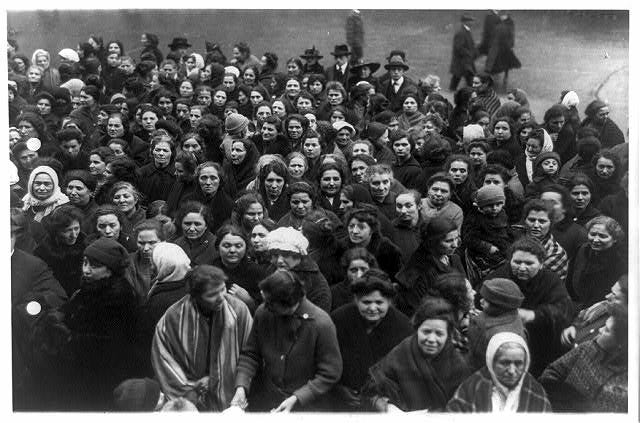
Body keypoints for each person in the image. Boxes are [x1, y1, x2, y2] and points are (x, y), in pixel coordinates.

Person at [33, 237, 137, 410]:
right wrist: (57, 317)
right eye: (85, 263)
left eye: (94, 266)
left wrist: (67, 338)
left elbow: (108, 345)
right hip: (79, 371)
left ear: (111, 270)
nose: (86, 270)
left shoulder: (118, 298)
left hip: (100, 378)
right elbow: (69, 309)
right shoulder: (90, 287)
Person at [231, 270, 342, 412]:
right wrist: (241, 386)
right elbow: (251, 354)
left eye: (271, 305)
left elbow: (330, 373)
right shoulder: (264, 312)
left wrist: (298, 397)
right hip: (268, 401)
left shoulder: (321, 324)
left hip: (307, 408)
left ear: (291, 304)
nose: (266, 307)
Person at [151, 265, 253, 411]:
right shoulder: (174, 317)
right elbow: (163, 358)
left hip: (232, 392)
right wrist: (192, 387)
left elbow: (250, 352)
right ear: (195, 297)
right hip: (190, 397)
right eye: (212, 295)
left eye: (223, 289)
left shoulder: (239, 310)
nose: (221, 298)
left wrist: (240, 385)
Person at [361, 296, 472, 412]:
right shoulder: (402, 352)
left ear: (448, 335)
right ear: (417, 329)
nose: (431, 339)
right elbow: (371, 392)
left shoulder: (458, 366)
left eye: (439, 334)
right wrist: (387, 407)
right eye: (426, 331)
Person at [486, 237, 572, 376]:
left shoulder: (551, 280)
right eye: (517, 262)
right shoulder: (501, 275)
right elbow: (481, 299)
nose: (522, 267)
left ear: (541, 264)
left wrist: (534, 315)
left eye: (529, 263)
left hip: (541, 343)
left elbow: (563, 309)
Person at [330, 269, 413, 411]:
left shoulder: (404, 327)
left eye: (379, 302)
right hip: (341, 400)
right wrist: (338, 388)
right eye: (366, 302)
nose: (372, 308)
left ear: (389, 301)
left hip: (387, 404)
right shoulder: (338, 319)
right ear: (356, 299)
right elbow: (326, 359)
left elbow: (406, 374)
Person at [539, 305, 628, 412]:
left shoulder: (626, 383)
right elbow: (553, 371)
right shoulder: (587, 347)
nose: (600, 330)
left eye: (607, 330)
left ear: (620, 344)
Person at [447, 332, 551, 412]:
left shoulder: (535, 393)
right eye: (505, 363)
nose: (512, 371)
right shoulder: (471, 389)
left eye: (518, 363)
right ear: (492, 362)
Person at [135, 241, 191, 376]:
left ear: (165, 266)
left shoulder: (162, 300)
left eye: (154, 262)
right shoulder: (189, 287)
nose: (152, 266)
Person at [395, 216, 465, 317]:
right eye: (448, 241)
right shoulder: (418, 273)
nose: (455, 245)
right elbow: (421, 310)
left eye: (456, 239)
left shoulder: (454, 260)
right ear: (432, 242)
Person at [265, 226, 332, 313]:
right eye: (275, 255)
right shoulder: (271, 270)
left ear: (298, 256)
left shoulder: (315, 283)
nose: (279, 260)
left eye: (286, 254)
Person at [568, 216, 627, 311]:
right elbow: (570, 277)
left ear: (615, 239)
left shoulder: (620, 262)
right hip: (575, 304)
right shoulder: (582, 250)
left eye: (602, 236)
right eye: (592, 234)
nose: (595, 240)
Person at [465, 278, 526, 370]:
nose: (481, 301)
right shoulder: (511, 315)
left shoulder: (489, 331)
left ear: (498, 306)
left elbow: (477, 361)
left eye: (486, 300)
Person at [33, 205, 87, 296]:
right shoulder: (43, 252)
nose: (74, 235)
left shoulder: (86, 244)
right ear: (56, 231)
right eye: (67, 230)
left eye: (76, 228)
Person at [521, 199, 569, 282]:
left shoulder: (556, 254)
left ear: (551, 223)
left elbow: (539, 285)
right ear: (525, 220)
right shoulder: (516, 237)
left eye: (542, 221)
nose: (536, 225)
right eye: (532, 220)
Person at [173, 201, 218, 266]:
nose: (192, 229)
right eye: (187, 224)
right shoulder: (176, 245)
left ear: (206, 225)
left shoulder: (216, 246)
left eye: (197, 224)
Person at [484, 13, 521, 87]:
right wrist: (510, 45)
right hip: (505, 48)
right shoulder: (508, 26)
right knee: (506, 63)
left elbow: (494, 38)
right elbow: (510, 37)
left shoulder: (499, 27)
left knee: (494, 64)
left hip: (498, 48)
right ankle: (504, 77)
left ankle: (491, 79)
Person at [449, 15, 479, 91]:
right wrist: (469, 54)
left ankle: (452, 92)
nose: (472, 22)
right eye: (471, 21)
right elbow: (459, 47)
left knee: (458, 78)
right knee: (466, 78)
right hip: (462, 62)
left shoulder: (466, 31)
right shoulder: (461, 33)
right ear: (465, 22)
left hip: (464, 62)